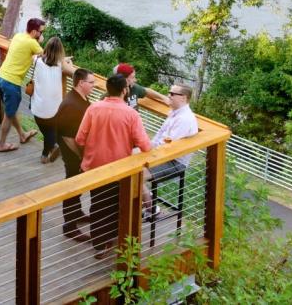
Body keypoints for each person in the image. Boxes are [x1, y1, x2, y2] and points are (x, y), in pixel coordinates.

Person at [75, 73, 151, 257]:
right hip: (119, 169)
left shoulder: (93, 108)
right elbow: (145, 145)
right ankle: (117, 239)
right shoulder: (131, 114)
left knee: (98, 204)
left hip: (94, 166)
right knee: (118, 204)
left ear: (107, 89)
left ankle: (99, 245)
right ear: (124, 90)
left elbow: (80, 138)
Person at [142, 84, 198, 219]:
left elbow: (168, 147)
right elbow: (160, 138)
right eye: (169, 93)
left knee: (134, 175)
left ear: (183, 98)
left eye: (172, 94)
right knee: (128, 161)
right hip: (164, 155)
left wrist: (145, 156)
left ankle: (151, 208)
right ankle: (145, 202)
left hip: (174, 161)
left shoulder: (184, 119)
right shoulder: (175, 112)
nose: (168, 96)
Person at [54, 69, 96, 241]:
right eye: (91, 82)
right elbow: (66, 135)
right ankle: (69, 226)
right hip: (72, 153)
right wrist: (81, 156)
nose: (94, 85)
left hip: (77, 151)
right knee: (72, 186)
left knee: (77, 185)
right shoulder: (71, 104)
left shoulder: (81, 99)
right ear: (81, 83)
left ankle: (77, 213)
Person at [0, 18, 45, 152]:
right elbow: (46, 56)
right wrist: (39, 42)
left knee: (11, 110)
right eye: (41, 32)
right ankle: (1, 144)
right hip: (11, 83)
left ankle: (22, 135)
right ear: (34, 31)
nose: (42, 34)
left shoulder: (18, 36)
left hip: (0, 77)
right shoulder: (32, 43)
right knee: (8, 115)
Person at [31, 36, 76, 164]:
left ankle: (49, 150)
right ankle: (47, 152)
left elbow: (42, 57)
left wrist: (62, 60)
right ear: (60, 52)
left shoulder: (36, 60)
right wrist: (68, 63)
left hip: (37, 107)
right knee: (51, 131)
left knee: (47, 131)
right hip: (55, 109)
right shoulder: (61, 65)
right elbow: (74, 73)